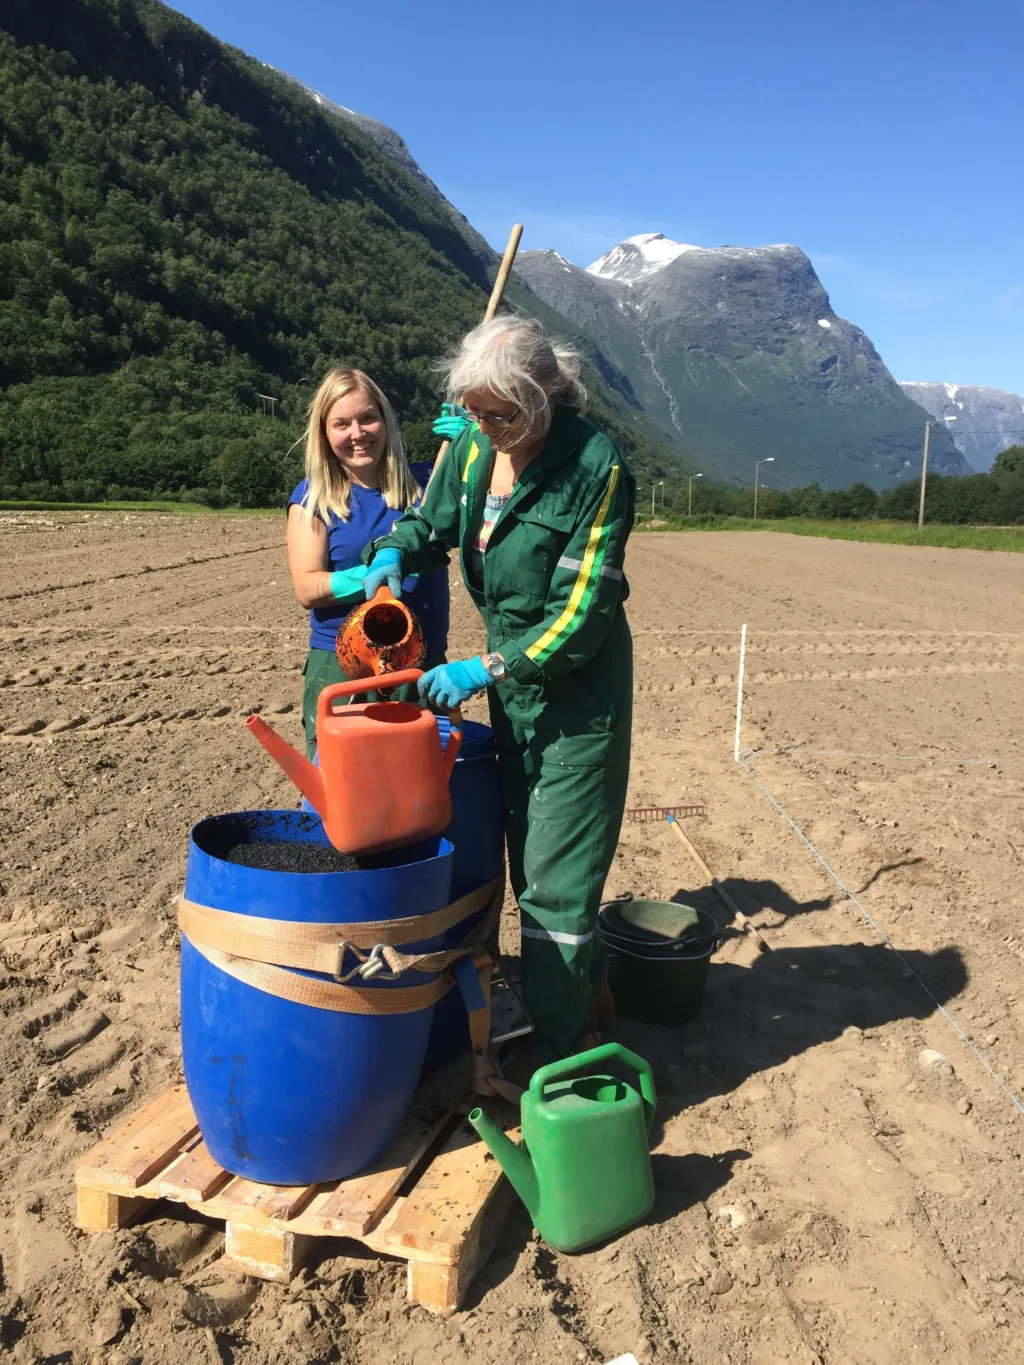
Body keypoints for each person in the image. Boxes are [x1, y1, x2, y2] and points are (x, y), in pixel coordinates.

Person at [363, 316, 635, 1067]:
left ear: (548, 394)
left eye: (503, 413)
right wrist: (394, 551)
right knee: (525, 859)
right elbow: (432, 522)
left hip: (576, 700)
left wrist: (485, 669)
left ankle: (561, 1060)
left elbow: (580, 615)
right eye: (476, 413)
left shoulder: (596, 468)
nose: (487, 428)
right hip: (512, 694)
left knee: (553, 887)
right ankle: (591, 1003)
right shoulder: (479, 446)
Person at [287, 367, 449, 757]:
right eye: (341, 423)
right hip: (345, 666)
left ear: (386, 420)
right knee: (346, 796)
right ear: (324, 433)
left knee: (421, 797)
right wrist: (372, 575)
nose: (357, 433)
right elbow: (308, 588)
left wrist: (471, 445)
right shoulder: (315, 499)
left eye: (367, 418)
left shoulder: (428, 485)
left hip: (422, 664)